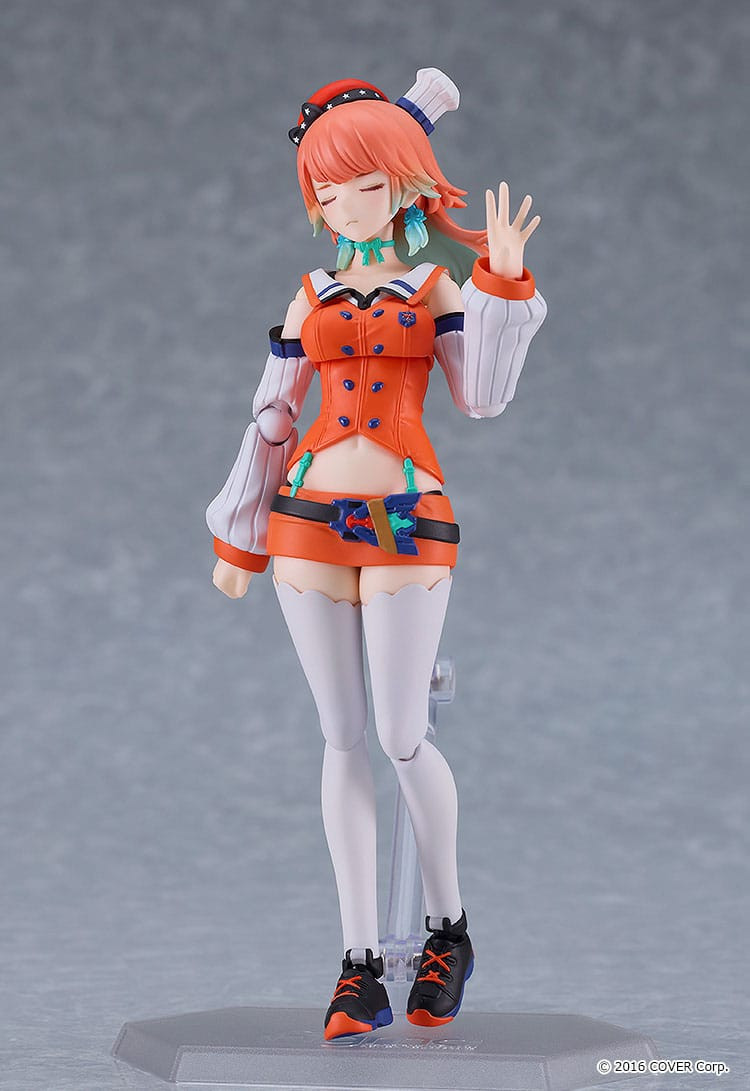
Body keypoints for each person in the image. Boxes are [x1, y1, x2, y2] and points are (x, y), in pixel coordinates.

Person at [206, 68, 547, 1040]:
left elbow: (480, 395)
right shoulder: (309, 293)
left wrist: (503, 283)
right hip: (309, 519)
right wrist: (240, 532)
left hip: (405, 514)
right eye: (328, 186)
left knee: (402, 732)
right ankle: (358, 962)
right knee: (342, 735)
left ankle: (448, 928)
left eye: (365, 182)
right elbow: (273, 415)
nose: (345, 202)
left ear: (405, 185)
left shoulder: (434, 285)